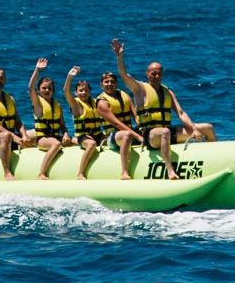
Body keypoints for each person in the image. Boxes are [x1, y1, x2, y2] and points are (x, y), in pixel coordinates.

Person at [111, 39, 216, 180]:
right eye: (153, 73)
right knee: (165, 131)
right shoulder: (140, 89)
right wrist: (119, 57)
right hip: (150, 136)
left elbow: (181, 113)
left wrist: (194, 129)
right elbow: (124, 75)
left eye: (159, 73)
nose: (157, 76)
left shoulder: (168, 91)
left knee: (207, 128)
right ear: (147, 74)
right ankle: (170, 170)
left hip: (167, 132)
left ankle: (213, 159)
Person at [0, 66, 33, 180]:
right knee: (6, 136)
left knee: (36, 133)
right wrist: (14, 137)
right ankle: (7, 173)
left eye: (1, 78)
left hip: (12, 136)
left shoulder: (10, 98)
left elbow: (17, 121)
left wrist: (24, 135)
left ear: (5, 80)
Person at [26, 58, 74, 180]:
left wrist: (66, 134)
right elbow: (30, 88)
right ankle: (41, 173)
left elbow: (62, 125)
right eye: (44, 88)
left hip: (56, 136)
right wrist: (37, 70)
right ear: (39, 90)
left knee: (77, 141)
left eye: (50, 88)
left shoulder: (57, 105)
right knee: (56, 144)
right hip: (42, 139)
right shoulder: (38, 104)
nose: (47, 90)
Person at [96, 69, 142, 180]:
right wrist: (138, 136)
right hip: (112, 137)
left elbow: (135, 115)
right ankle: (124, 171)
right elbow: (117, 124)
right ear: (101, 85)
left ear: (116, 83)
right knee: (126, 135)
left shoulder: (124, 95)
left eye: (112, 82)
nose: (110, 84)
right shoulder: (102, 102)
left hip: (130, 131)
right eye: (106, 82)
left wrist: (143, 128)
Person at [62, 67, 104, 179]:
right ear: (76, 92)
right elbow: (66, 92)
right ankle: (80, 173)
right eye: (81, 90)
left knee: (109, 140)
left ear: (90, 91)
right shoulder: (76, 105)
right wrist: (70, 77)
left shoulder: (95, 102)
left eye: (86, 90)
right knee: (91, 144)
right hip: (84, 136)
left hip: (98, 135)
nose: (83, 92)